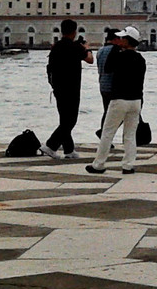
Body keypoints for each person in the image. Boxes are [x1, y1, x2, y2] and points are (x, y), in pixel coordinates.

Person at [88, 26, 146, 174]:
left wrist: (115, 48)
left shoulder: (119, 56)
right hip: (136, 100)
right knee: (130, 134)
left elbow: (107, 68)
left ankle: (99, 164)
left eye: (122, 38)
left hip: (119, 99)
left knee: (108, 132)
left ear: (127, 40)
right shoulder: (140, 59)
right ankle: (128, 164)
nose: (119, 40)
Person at [43, 19, 91, 159]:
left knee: (64, 119)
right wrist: (86, 48)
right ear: (74, 32)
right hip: (72, 88)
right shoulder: (75, 47)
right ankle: (51, 145)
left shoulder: (56, 47)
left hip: (58, 87)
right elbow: (90, 60)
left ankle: (69, 150)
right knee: (70, 120)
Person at [93, 28, 119, 138]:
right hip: (113, 86)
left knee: (106, 112)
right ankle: (105, 134)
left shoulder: (100, 51)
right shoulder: (115, 50)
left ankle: (104, 134)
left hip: (102, 85)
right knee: (118, 114)